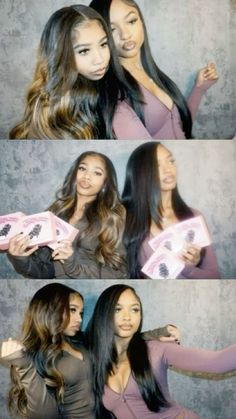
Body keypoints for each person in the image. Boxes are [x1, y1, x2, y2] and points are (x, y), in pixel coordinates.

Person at [0, 283, 180, 419]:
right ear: (50, 310)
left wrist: (159, 333)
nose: (79, 319)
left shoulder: (79, 341)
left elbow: (117, 339)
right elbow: (44, 415)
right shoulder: (35, 356)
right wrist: (23, 365)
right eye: (72, 310)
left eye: (81, 312)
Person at [85, 284, 236, 419]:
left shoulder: (157, 349)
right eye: (118, 309)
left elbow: (217, 362)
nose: (127, 317)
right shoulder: (93, 358)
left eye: (135, 309)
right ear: (104, 313)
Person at [90, 0, 219, 139]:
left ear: (141, 22)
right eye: (112, 29)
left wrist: (199, 88)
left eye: (131, 21)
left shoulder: (148, 71)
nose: (125, 35)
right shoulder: (115, 95)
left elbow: (180, 129)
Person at [9, 5, 141, 139]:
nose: (100, 59)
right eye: (84, 51)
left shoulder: (112, 85)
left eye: (103, 44)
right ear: (61, 54)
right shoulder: (55, 106)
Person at [7, 151, 127, 279]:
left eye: (97, 173)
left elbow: (117, 272)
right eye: (82, 168)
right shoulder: (56, 210)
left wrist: (73, 266)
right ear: (74, 173)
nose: (86, 176)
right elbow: (43, 269)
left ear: (105, 183)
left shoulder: (112, 218)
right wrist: (20, 257)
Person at [121, 141, 220, 278]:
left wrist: (188, 267)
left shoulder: (194, 216)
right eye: (157, 165)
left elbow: (214, 275)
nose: (168, 169)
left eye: (171, 160)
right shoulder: (124, 217)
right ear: (141, 173)